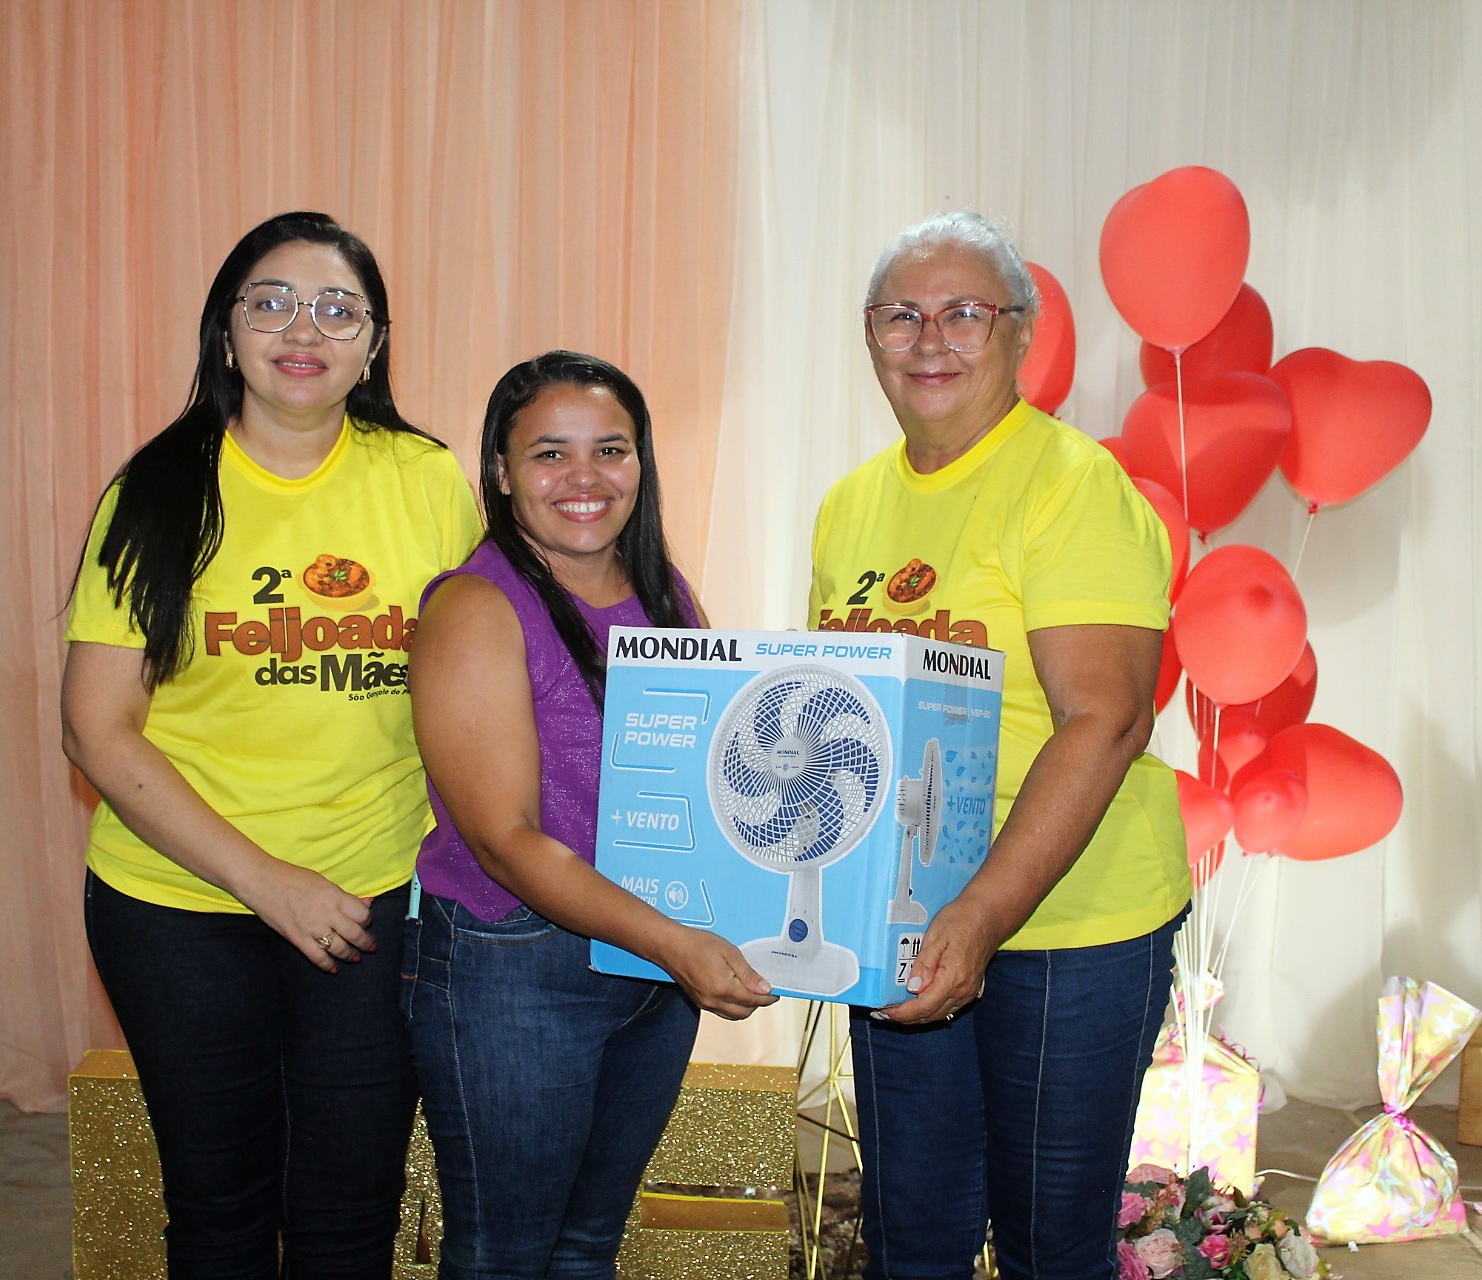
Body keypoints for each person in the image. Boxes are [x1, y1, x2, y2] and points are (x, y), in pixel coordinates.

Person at [60, 211, 480, 1279]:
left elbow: (485, 671)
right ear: (228, 325)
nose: (307, 327)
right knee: (222, 1209)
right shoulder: (154, 492)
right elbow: (97, 729)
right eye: (274, 301)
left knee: (349, 1215)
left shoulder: (427, 481)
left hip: (368, 897)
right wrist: (267, 880)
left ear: (374, 344)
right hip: (176, 905)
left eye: (339, 307)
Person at [808, 212, 1189, 1280]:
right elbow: (835, 723)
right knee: (912, 1232)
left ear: (1020, 333)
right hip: (904, 918)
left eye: (966, 313)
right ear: (869, 334)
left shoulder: (1073, 486)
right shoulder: (849, 506)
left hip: (1073, 922)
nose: (931, 339)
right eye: (902, 315)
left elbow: (1106, 717)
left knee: (1047, 1242)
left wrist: (976, 917)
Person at [405, 350, 778, 1278]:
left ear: (642, 463)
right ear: (499, 471)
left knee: (585, 1250)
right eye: (549, 454)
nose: (584, 479)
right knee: (506, 1256)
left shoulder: (667, 596)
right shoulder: (475, 607)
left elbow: (707, 785)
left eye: (610, 449)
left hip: (652, 967)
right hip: (518, 974)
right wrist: (679, 944)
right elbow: (504, 841)